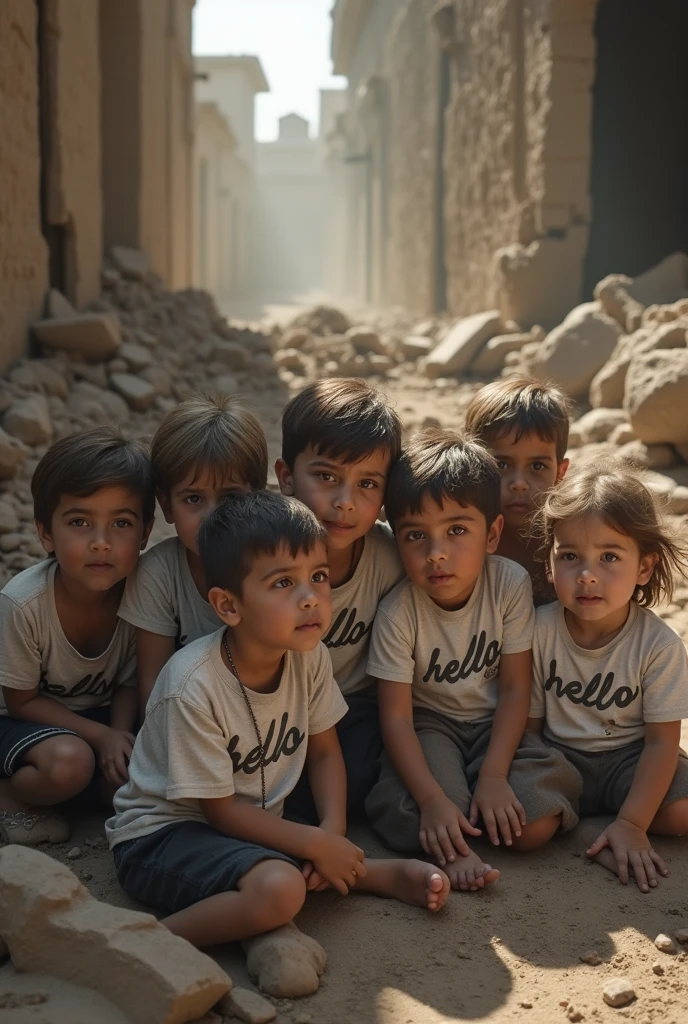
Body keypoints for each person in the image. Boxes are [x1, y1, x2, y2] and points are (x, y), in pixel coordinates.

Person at [106, 492, 450, 952]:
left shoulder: (308, 656)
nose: (311, 599)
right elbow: (220, 811)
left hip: (253, 819)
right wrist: (313, 844)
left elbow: (326, 752)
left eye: (319, 576)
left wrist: (331, 833)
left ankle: (353, 867)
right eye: (284, 583)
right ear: (229, 606)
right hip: (164, 836)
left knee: (303, 848)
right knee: (281, 890)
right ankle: (142, 944)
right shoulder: (193, 685)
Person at [365, 429, 579, 891]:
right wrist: (432, 798)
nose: (436, 552)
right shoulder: (398, 611)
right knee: (436, 813)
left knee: (533, 825)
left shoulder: (509, 585)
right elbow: (398, 720)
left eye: (457, 530)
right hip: (430, 726)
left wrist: (496, 775)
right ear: (395, 538)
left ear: (492, 533)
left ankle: (471, 814)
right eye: (415, 535)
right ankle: (456, 830)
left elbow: (517, 688)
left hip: (493, 725)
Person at [527, 460, 688, 893]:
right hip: (557, 756)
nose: (588, 574)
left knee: (680, 814)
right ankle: (576, 813)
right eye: (570, 557)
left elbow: (661, 742)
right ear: (549, 563)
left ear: (644, 568)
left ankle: (618, 818)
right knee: (526, 829)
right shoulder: (536, 630)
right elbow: (530, 728)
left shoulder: (659, 645)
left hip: (630, 759)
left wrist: (634, 824)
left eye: (610, 556)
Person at [0, 427, 154, 845]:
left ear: (145, 532)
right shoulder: (24, 604)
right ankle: (10, 794)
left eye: (121, 522)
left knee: (128, 774)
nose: (101, 543)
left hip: (99, 718)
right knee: (69, 764)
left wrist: (117, 739)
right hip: (22, 721)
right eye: (80, 522)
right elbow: (22, 700)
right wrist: (100, 737)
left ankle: (81, 786)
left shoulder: (142, 594)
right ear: (46, 532)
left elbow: (127, 681)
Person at [276, 378, 404, 816]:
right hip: (276, 711)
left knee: (353, 781)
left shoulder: (389, 559)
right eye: (327, 476)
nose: (345, 502)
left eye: (368, 484)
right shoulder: (263, 556)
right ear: (286, 477)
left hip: (352, 712)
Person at [118, 392, 268, 715]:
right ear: (166, 505)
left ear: (259, 498)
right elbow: (153, 697)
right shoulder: (159, 576)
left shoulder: (277, 569)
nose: (212, 517)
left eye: (230, 497)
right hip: (184, 728)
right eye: (193, 499)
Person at [464, 374, 570, 605]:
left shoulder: (569, 542)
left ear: (560, 473)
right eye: (501, 464)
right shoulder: (455, 535)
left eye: (537, 466)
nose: (519, 483)